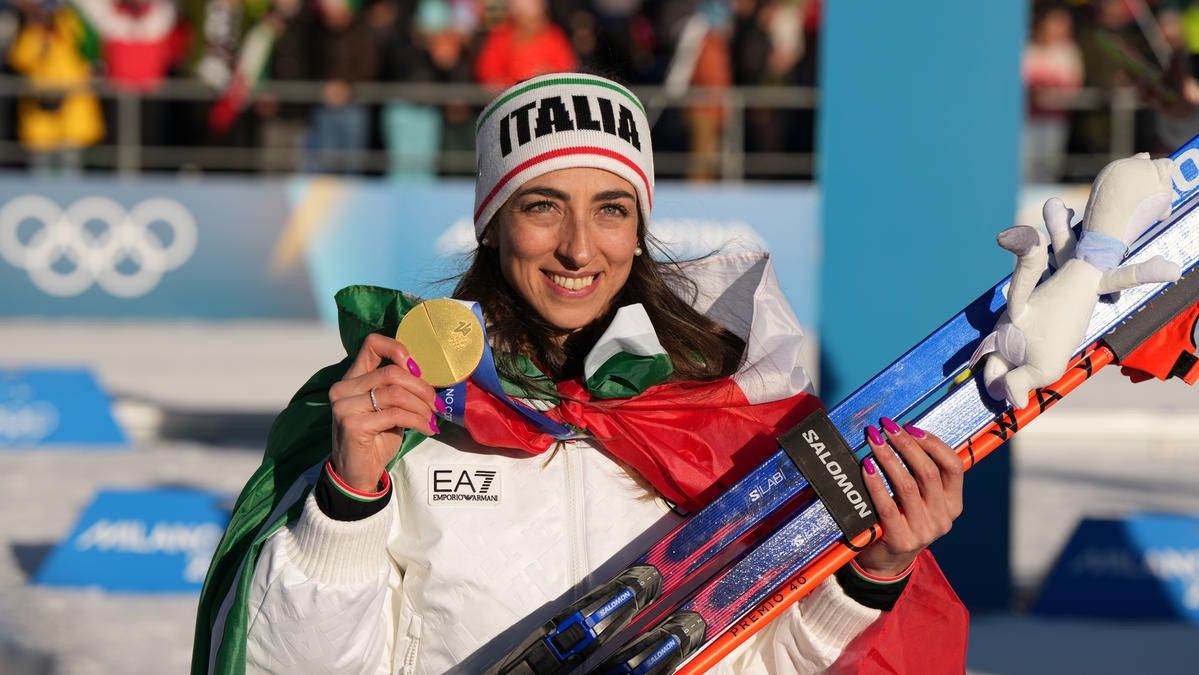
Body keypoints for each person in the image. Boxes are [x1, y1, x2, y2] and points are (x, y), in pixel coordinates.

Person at [194, 72, 968, 674]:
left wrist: (871, 573)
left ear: (638, 229)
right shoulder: (407, 405)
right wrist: (345, 505)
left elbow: (758, 661)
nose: (577, 246)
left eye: (609, 208)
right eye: (541, 205)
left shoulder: (720, 415)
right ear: (491, 224)